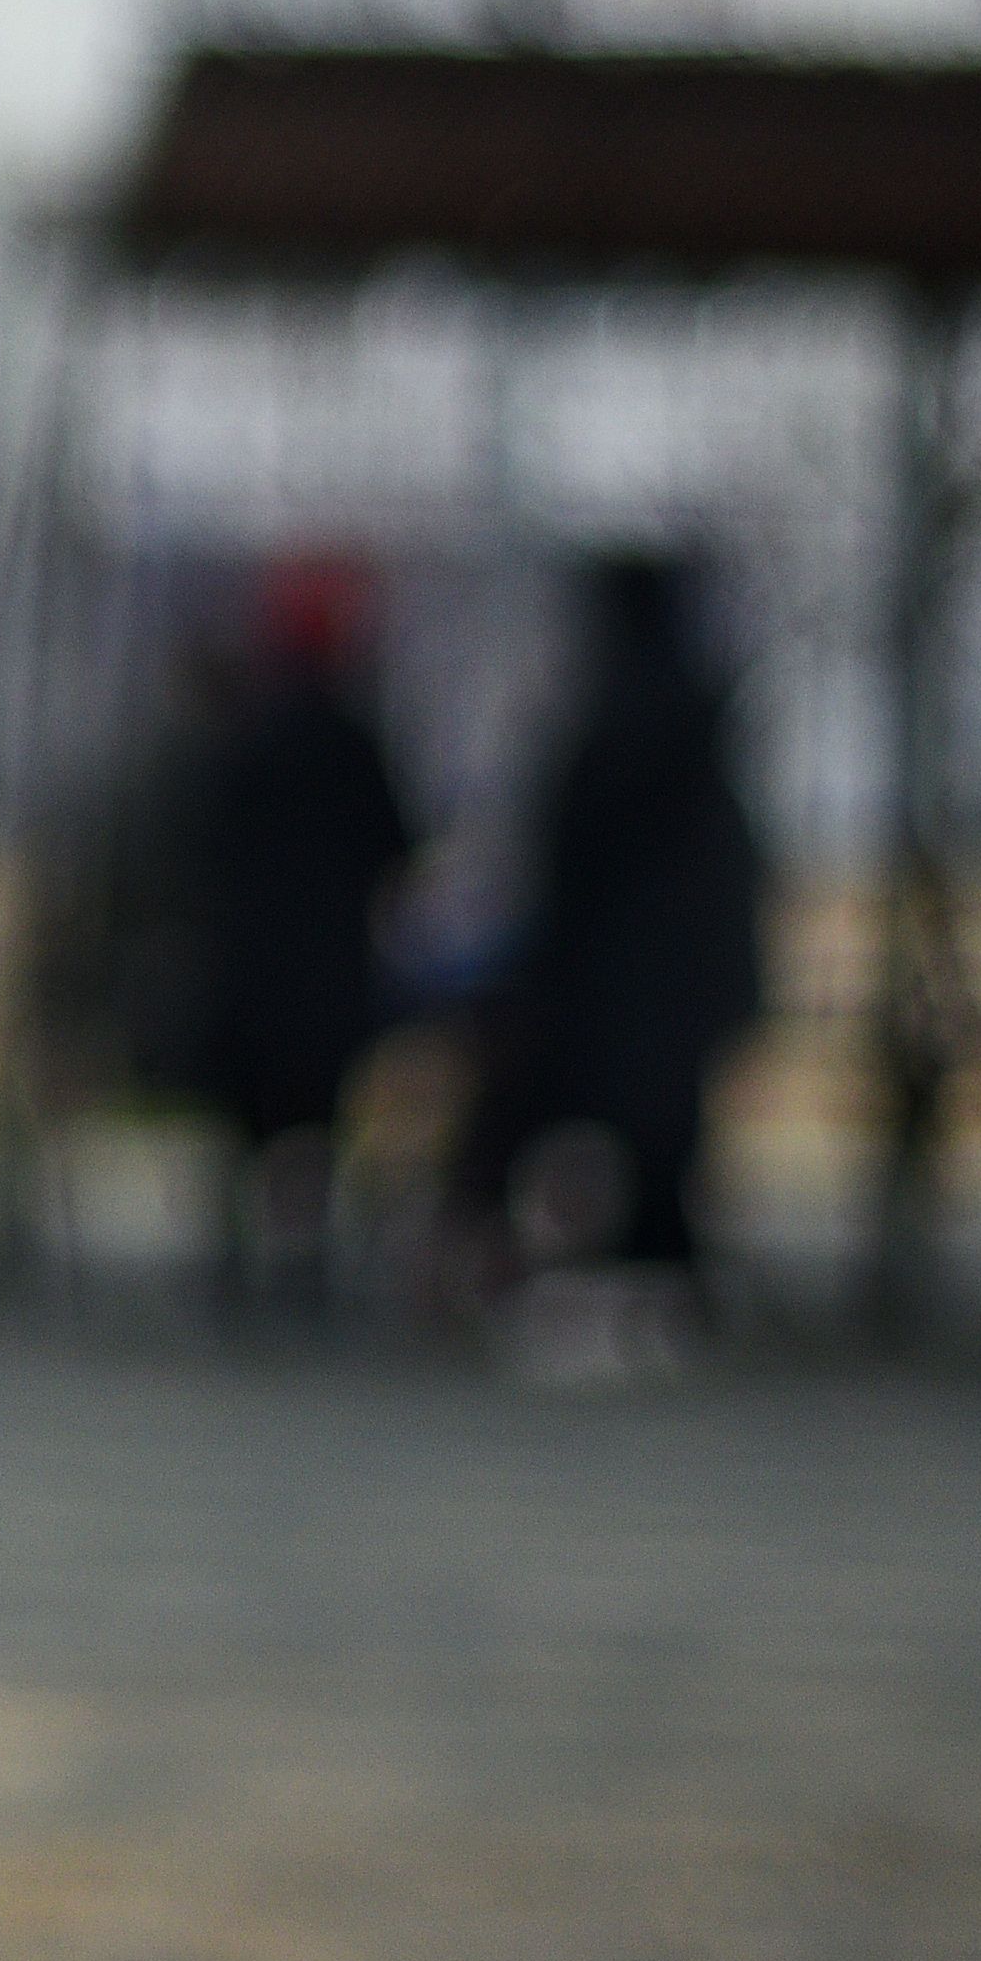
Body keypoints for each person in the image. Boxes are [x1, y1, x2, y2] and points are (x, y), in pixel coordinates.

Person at [464, 548, 769, 1357]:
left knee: (540, 1127)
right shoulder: (708, 740)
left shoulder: (601, 733)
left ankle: (526, 1277)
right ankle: (671, 1298)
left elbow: (559, 870)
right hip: (683, 989)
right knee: (665, 1150)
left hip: (603, 987)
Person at [180, 553, 415, 1321]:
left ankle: (233, 1268)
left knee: (243, 1133)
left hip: (245, 972)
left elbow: (202, 847)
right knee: (315, 1133)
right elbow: (397, 848)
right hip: (328, 975)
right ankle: (306, 1270)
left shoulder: (241, 739)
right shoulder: (354, 743)